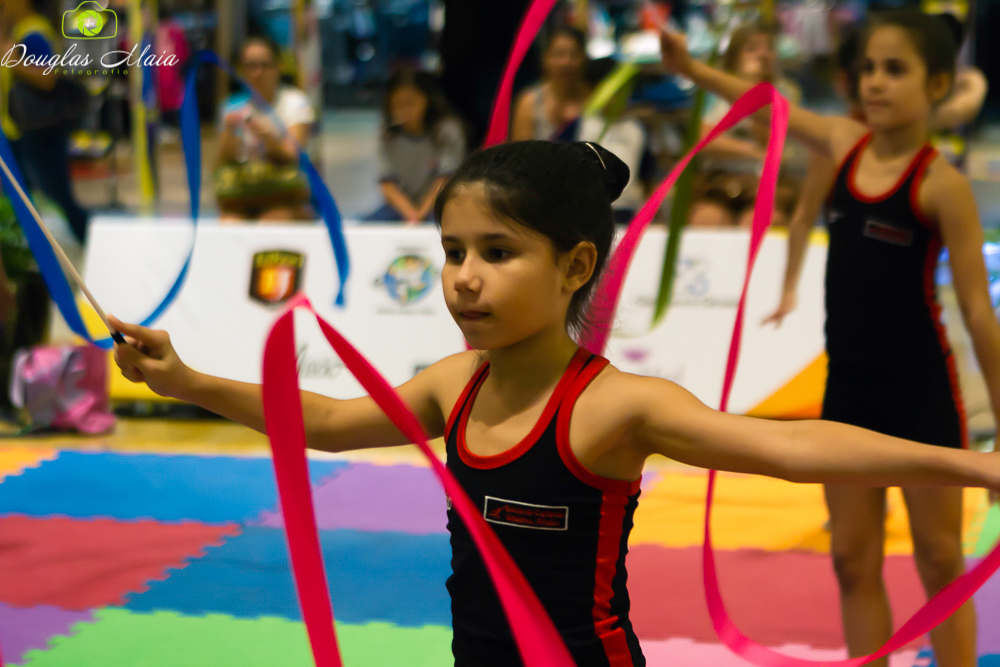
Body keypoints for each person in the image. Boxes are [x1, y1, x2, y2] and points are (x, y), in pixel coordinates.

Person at [111, 139, 1000, 666]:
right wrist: (185, 379)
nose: (463, 277)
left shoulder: (615, 407)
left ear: (576, 265)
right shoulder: (456, 383)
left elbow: (795, 450)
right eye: (453, 250)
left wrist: (973, 464)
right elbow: (336, 424)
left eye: (498, 252)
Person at [661, 12, 1000, 667]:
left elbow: (980, 315)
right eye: (868, 68)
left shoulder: (942, 185)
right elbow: (770, 106)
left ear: (935, 87)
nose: (874, 82)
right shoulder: (843, 144)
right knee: (851, 557)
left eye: (894, 70)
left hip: (922, 398)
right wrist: (692, 70)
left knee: (938, 558)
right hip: (848, 392)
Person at [690, 21, 804, 228]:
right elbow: (703, 140)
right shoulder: (715, 92)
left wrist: (757, 90)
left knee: (758, 223)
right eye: (752, 48)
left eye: (768, 48)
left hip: (764, 183)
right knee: (707, 219)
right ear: (735, 58)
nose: (762, 54)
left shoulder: (784, 93)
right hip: (718, 181)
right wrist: (751, 151)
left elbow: (769, 141)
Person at [0, 0, 90, 244]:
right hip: (23, 132)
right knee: (25, 200)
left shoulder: (32, 33)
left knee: (59, 199)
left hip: (40, 133)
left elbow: (47, 77)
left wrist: (12, 60)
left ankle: (92, 245)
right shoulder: (20, 30)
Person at [215, 36, 315, 223]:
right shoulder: (231, 106)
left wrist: (267, 136)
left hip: (284, 197)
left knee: (271, 223)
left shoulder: (296, 102)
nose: (257, 72)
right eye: (250, 65)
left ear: (279, 66)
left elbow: (294, 155)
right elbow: (224, 159)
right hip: (242, 195)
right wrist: (229, 130)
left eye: (264, 65)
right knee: (229, 224)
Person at [365, 67, 465, 224]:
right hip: (400, 207)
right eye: (397, 104)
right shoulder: (387, 135)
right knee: (367, 228)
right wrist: (411, 213)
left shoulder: (446, 131)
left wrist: (421, 212)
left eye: (411, 103)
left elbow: (445, 180)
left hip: (439, 204)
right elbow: (387, 184)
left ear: (427, 99)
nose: (405, 111)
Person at [511, 26, 592, 142]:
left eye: (573, 54)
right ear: (545, 59)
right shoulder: (529, 102)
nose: (566, 62)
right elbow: (520, 154)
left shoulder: (597, 97)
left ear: (584, 58)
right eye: (559, 54)